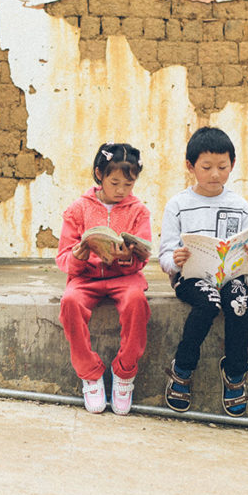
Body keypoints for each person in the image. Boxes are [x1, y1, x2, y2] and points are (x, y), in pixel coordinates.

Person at [158, 127, 248, 417]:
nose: (215, 174)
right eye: (207, 167)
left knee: (239, 302)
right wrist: (175, 260)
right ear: (190, 167)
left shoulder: (239, 206)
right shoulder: (178, 205)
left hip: (229, 277)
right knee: (210, 301)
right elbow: (165, 255)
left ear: (232, 165)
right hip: (192, 279)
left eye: (222, 167)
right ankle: (183, 368)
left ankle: (235, 373)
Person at [56, 142, 152, 415]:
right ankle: (89, 374)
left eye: (128, 185)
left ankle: (124, 372)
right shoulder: (77, 209)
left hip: (125, 277)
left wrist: (126, 257)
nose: (121, 191)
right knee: (70, 302)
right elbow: (63, 257)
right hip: (86, 278)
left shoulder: (138, 211)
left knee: (136, 302)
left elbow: (143, 255)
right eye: (115, 183)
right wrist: (80, 255)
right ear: (99, 174)